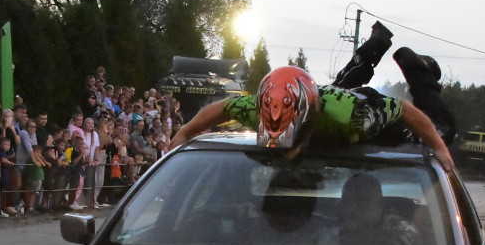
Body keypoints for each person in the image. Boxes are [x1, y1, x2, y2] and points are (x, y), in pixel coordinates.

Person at [169, 65, 455, 172]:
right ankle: (363, 58)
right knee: (337, 92)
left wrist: (439, 147)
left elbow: (403, 109)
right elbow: (223, 107)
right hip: (324, 99)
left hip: (358, 110)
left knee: (443, 130)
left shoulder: (354, 118)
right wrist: (185, 132)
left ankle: (422, 72)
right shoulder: (258, 107)